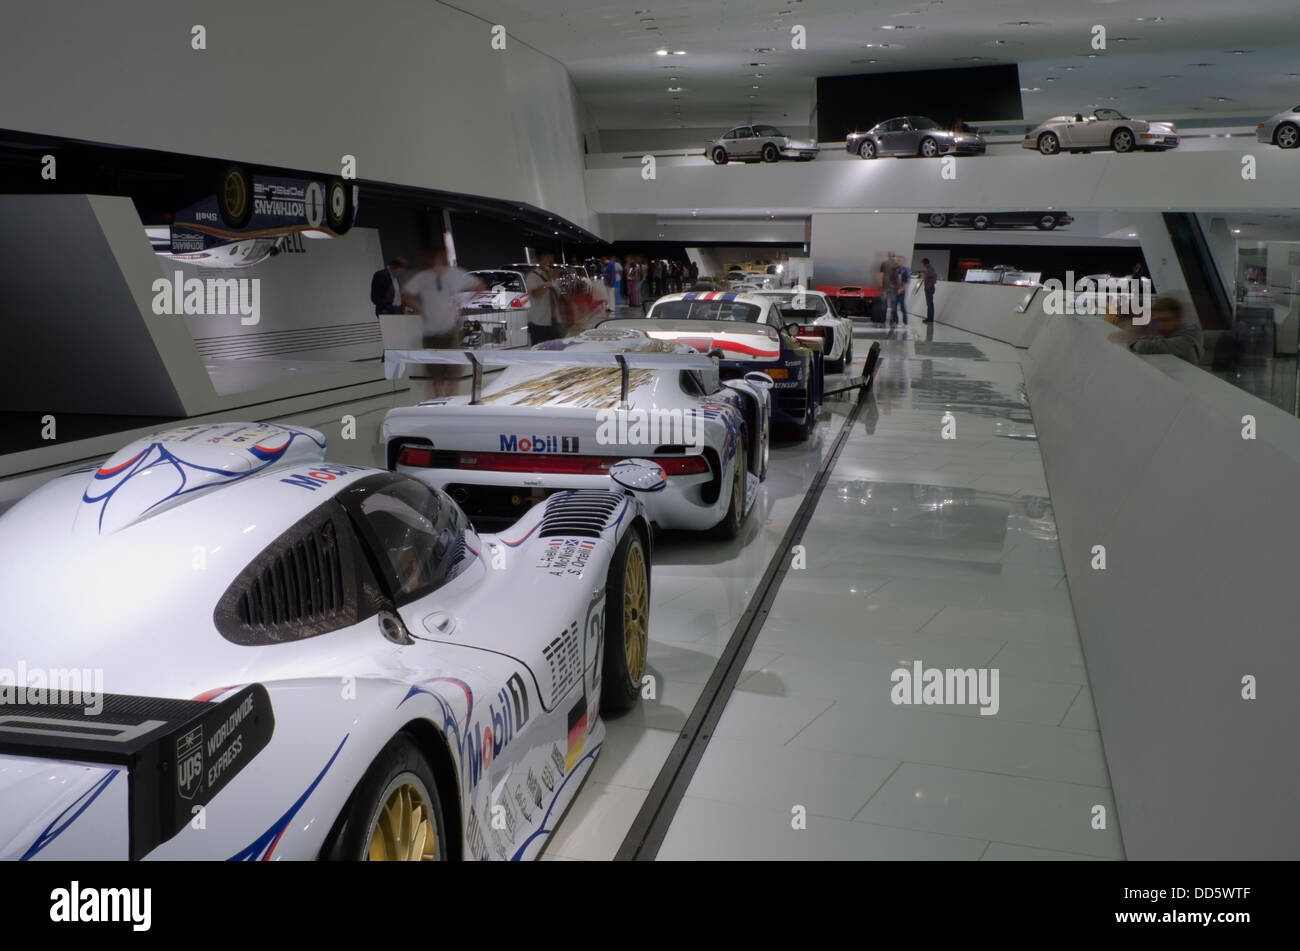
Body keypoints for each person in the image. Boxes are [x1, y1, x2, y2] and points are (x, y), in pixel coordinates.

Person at [401, 247, 485, 398]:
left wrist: (461, 304)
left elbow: (480, 287)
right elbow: (405, 294)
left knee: (450, 374)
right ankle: (441, 403)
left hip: (449, 330)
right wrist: (420, 308)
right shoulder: (424, 277)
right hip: (432, 332)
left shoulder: (454, 274)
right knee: (438, 375)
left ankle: (448, 403)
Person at [1114, 296, 1203, 365]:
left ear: (1178, 319)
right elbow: (1139, 340)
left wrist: (1135, 343)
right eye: (1157, 320)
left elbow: (1144, 346)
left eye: (1165, 320)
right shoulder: (1168, 333)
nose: (1160, 324)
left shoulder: (1185, 339)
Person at [524, 251, 563, 344]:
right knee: (540, 353)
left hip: (554, 322)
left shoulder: (550, 275)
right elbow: (536, 295)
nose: (550, 263)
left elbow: (557, 296)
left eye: (551, 260)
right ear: (539, 260)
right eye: (547, 259)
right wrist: (550, 281)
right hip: (539, 323)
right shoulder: (532, 276)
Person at [894, 254, 911, 324]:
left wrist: (902, 289)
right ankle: (895, 320)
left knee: (902, 306)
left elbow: (906, 282)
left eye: (900, 260)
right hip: (895, 290)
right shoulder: (896, 269)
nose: (898, 261)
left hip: (901, 291)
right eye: (898, 260)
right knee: (894, 306)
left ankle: (905, 320)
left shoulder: (905, 270)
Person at [921, 257, 938, 322]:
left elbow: (934, 277)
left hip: (929, 288)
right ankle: (929, 318)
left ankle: (930, 318)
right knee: (929, 303)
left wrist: (929, 285)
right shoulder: (928, 269)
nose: (922, 265)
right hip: (928, 288)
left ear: (925, 263)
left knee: (930, 303)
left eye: (922, 263)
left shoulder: (930, 269)